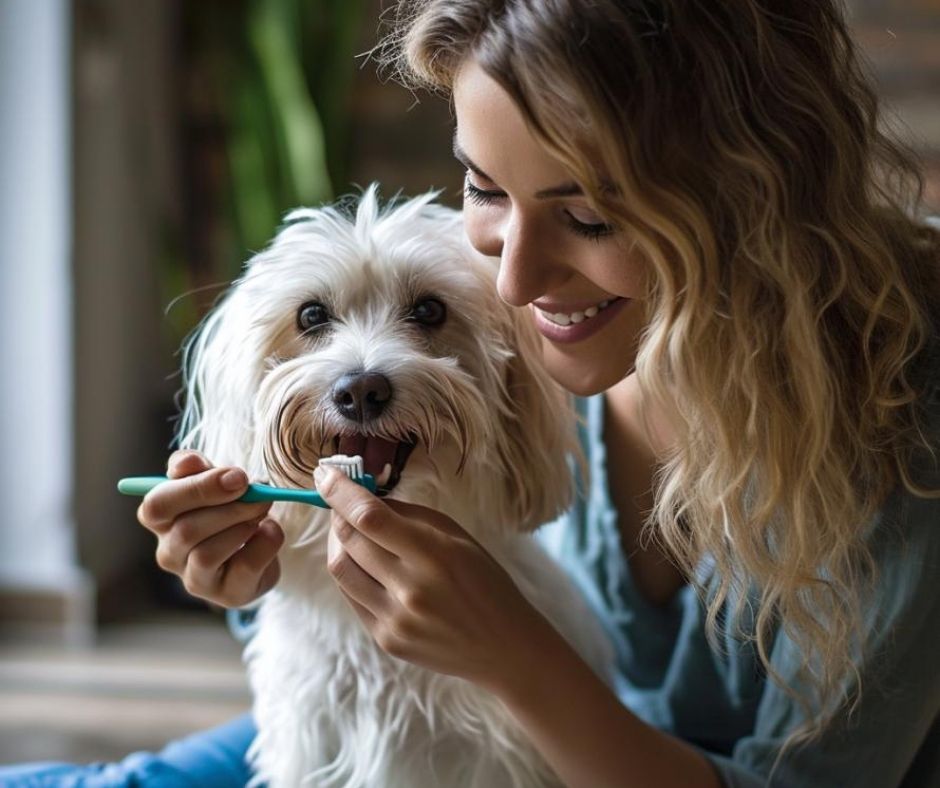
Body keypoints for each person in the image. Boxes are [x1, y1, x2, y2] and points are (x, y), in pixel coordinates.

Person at [4, 1, 938, 786]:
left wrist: (514, 656)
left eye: (587, 216)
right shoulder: (557, 327)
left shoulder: (907, 428)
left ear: (751, 192)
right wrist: (262, 557)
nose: (516, 281)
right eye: (484, 190)